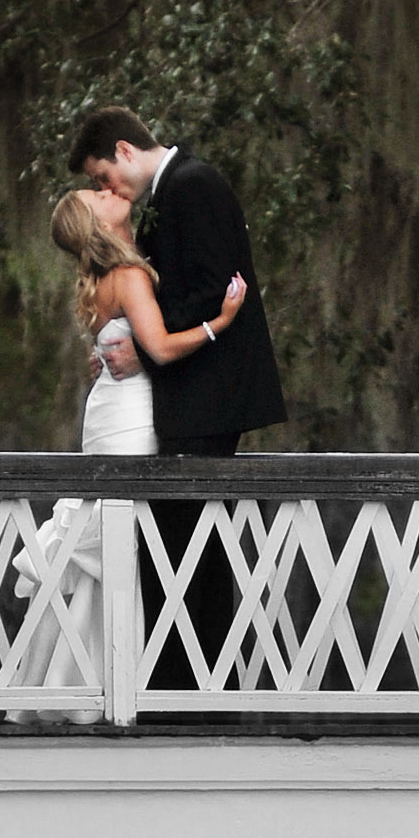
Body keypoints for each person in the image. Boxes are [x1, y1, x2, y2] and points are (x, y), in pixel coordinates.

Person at [66, 107, 286, 679]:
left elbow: (215, 289)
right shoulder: (173, 191)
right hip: (185, 395)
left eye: (102, 176)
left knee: (194, 548)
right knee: (178, 544)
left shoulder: (194, 185)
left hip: (209, 395)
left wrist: (144, 347)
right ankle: (173, 684)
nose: (105, 190)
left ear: (125, 151)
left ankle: (196, 691)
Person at [11, 190, 245, 708]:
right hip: (132, 420)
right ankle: (109, 683)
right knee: (125, 544)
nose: (109, 191)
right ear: (96, 223)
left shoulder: (102, 282)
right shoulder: (131, 277)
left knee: (111, 543)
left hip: (107, 415)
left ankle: (82, 682)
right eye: (97, 194)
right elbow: (159, 348)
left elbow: (117, 348)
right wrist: (220, 323)